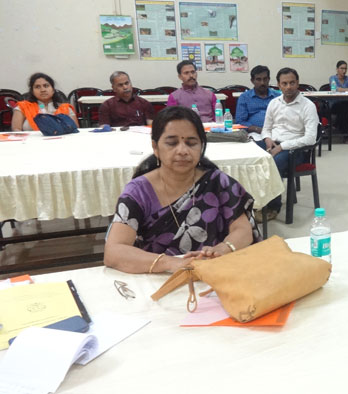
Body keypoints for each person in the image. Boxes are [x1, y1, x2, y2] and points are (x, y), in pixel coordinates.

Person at [104, 106, 260, 274]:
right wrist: (170, 263)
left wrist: (224, 248)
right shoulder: (139, 191)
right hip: (160, 277)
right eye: (172, 143)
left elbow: (243, 230)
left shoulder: (217, 182)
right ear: (156, 147)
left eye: (191, 143)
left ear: (202, 146)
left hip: (214, 272)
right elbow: (114, 252)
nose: (183, 151)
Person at [259, 67, 318, 221]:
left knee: (273, 163)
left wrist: (282, 147)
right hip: (273, 143)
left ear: (298, 83)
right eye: (284, 83)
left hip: (296, 150)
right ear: (278, 85)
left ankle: (273, 207)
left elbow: (311, 138)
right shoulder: (274, 103)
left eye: (292, 82)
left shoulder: (308, 106)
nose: (289, 87)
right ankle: (255, 202)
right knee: (249, 156)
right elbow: (266, 128)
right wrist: (267, 139)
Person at [11, 72, 79, 131]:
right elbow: (16, 130)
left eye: (46, 86)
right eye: (37, 87)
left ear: (53, 89)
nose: (42, 90)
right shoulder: (23, 107)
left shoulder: (65, 108)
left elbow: (75, 130)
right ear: (32, 91)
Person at [236, 65, 280, 143]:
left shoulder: (278, 96)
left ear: (269, 79)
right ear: (252, 81)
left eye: (265, 79)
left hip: (277, 132)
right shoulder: (245, 97)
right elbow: (240, 121)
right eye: (258, 79)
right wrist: (258, 129)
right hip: (255, 134)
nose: (262, 83)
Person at [329, 60, 348, 143]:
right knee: (345, 109)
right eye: (342, 68)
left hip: (345, 104)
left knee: (345, 108)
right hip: (334, 104)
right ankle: (345, 135)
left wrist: (342, 90)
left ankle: (338, 126)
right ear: (337, 69)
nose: (344, 70)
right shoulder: (332, 78)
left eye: (345, 68)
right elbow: (335, 89)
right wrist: (346, 89)